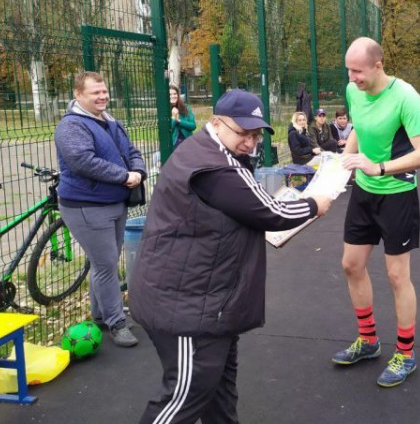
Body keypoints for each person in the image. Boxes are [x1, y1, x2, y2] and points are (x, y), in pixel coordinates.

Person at [130, 89, 332, 424]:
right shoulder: (214, 166)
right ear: (217, 123)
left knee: (218, 391)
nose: (251, 143)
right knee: (186, 394)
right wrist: (315, 204)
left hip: (207, 299)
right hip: (185, 306)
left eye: (255, 134)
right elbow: (272, 211)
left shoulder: (205, 149)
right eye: (243, 133)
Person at [332, 37, 420, 388]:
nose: (352, 77)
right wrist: (345, 160)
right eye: (349, 70)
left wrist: (378, 167)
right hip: (363, 192)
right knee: (351, 265)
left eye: (358, 70)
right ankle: (369, 341)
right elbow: (360, 126)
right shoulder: (353, 90)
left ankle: (405, 354)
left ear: (378, 66)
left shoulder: (405, 96)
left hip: (397, 194)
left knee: (396, 276)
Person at [54, 71, 146, 348]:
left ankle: (101, 315)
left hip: (114, 202)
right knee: (106, 265)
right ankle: (117, 323)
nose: (102, 96)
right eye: (95, 92)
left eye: (104, 91)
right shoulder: (71, 126)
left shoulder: (109, 121)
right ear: (78, 95)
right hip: (86, 205)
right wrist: (123, 176)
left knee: (103, 262)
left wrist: (138, 169)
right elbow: (83, 161)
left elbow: (131, 150)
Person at [170, 85, 196, 149]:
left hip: (187, 141)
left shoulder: (186, 107)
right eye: (170, 94)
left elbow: (193, 126)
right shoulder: (164, 111)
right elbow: (168, 130)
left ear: (178, 95)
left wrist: (179, 121)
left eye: (175, 94)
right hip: (173, 144)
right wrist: (173, 118)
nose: (173, 96)